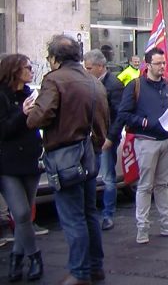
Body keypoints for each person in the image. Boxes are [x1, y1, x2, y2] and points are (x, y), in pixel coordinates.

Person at [26, 34, 109, 285]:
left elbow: (37, 119)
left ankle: (80, 272)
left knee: (73, 218)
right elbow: (103, 120)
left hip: (65, 155)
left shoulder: (54, 79)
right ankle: (95, 267)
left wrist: (30, 112)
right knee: (89, 213)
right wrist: (95, 147)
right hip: (88, 154)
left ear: (54, 58)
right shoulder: (93, 81)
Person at [118, 47, 168, 245]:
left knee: (162, 184)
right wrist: (144, 122)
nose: (162, 67)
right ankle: (142, 227)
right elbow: (124, 113)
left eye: (164, 63)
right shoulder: (135, 86)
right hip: (146, 141)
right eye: (158, 63)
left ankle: (166, 224)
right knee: (145, 186)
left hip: (165, 140)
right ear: (148, 65)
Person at [0, 54, 44, 281]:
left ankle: (16, 258)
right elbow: (4, 130)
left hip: (30, 160)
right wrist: (22, 114)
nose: (31, 70)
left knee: (25, 215)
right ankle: (35, 256)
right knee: (21, 213)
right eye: (27, 67)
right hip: (8, 164)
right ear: (15, 71)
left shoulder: (30, 94)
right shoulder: (2, 96)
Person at [83, 49, 125, 231]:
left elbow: (119, 115)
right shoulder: (88, 83)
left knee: (108, 177)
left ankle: (108, 214)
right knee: (91, 176)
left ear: (100, 66)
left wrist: (110, 137)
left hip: (107, 138)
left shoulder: (113, 85)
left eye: (89, 68)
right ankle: (91, 213)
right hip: (92, 138)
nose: (86, 71)